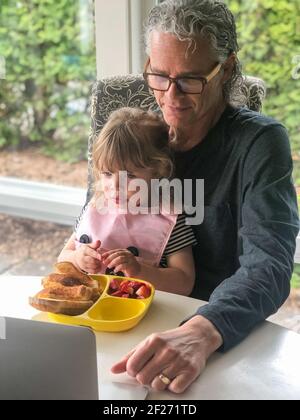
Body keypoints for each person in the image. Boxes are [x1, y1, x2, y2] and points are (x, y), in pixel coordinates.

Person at [110, 0, 299, 393]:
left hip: (213, 332)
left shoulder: (258, 144)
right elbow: (100, 220)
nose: (171, 97)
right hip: (124, 316)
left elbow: (270, 265)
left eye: (191, 80)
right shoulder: (136, 134)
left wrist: (202, 331)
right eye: (159, 76)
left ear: (226, 68)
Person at [58, 107, 197, 296]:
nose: (115, 185)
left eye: (130, 176)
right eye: (107, 174)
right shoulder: (96, 206)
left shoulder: (170, 219)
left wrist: (140, 271)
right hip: (88, 307)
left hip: (142, 312)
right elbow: (61, 260)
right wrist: (77, 258)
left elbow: (185, 283)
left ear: (158, 171)